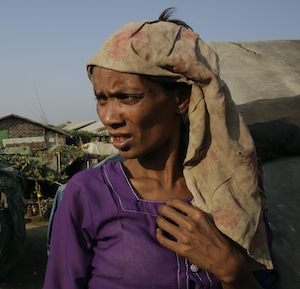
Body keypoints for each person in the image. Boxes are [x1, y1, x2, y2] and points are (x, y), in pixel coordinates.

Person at [43, 8, 275, 289]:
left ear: (180, 98)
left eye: (128, 97)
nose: (108, 118)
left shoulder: (232, 192)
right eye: (102, 99)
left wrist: (233, 270)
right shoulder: (86, 194)